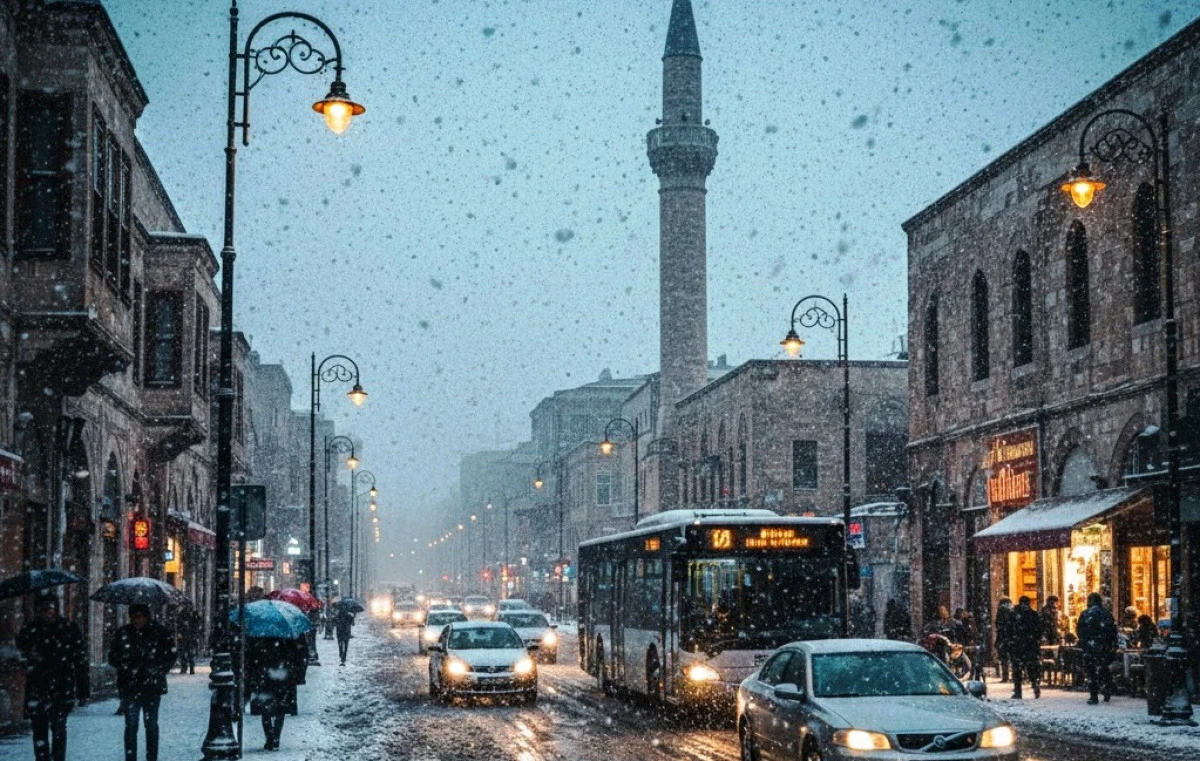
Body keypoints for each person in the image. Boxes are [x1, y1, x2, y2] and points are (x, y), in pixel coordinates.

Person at [16, 591, 89, 761]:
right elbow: (22, 652)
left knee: (58, 729)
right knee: (39, 731)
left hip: (61, 686)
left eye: (50, 609)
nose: (47, 613)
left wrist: (83, 689)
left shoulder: (68, 629)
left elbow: (80, 660)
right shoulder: (31, 630)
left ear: (56, 609)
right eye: (43, 610)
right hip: (38, 687)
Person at [109, 604, 177, 761]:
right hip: (130, 686)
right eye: (133, 617)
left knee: (151, 725)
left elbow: (171, 655)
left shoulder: (159, 632)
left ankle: (151, 757)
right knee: (131, 725)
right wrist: (125, 665)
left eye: (139, 617)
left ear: (146, 617)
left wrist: (158, 669)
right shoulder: (124, 633)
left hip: (151, 686)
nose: (136, 620)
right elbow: (113, 656)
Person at [246, 636, 309, 751]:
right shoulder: (288, 637)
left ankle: (270, 737)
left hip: (265, 677)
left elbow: (252, 658)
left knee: (266, 708)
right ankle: (275, 736)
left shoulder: (260, 637)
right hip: (282, 676)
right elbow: (298, 655)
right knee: (280, 708)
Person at [1076, 592, 1117, 704]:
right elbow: (1113, 631)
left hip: (1090, 647)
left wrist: (1085, 641)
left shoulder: (1085, 614)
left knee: (1091, 671)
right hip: (1104, 646)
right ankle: (1107, 687)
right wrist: (1110, 644)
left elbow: (1079, 630)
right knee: (1104, 668)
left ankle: (1094, 696)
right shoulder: (1106, 614)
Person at [1010, 596, 1042, 699]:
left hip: (1018, 646)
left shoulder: (1015, 614)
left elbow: (1009, 629)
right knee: (1031, 668)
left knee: (1017, 670)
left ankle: (1018, 691)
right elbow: (1039, 631)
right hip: (1030, 646)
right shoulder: (1034, 614)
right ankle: (1035, 686)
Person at [175, 603, 201, 675]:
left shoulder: (185, 614)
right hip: (188, 636)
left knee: (185, 652)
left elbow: (179, 625)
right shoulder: (186, 614)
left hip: (186, 637)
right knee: (188, 653)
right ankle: (189, 668)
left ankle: (186, 667)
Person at [994, 597, 1015, 682]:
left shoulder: (1001, 610)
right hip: (1012, 637)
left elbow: (998, 624)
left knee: (1004, 658)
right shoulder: (1013, 609)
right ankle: (1014, 676)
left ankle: (1005, 677)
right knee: (1013, 658)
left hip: (1002, 637)